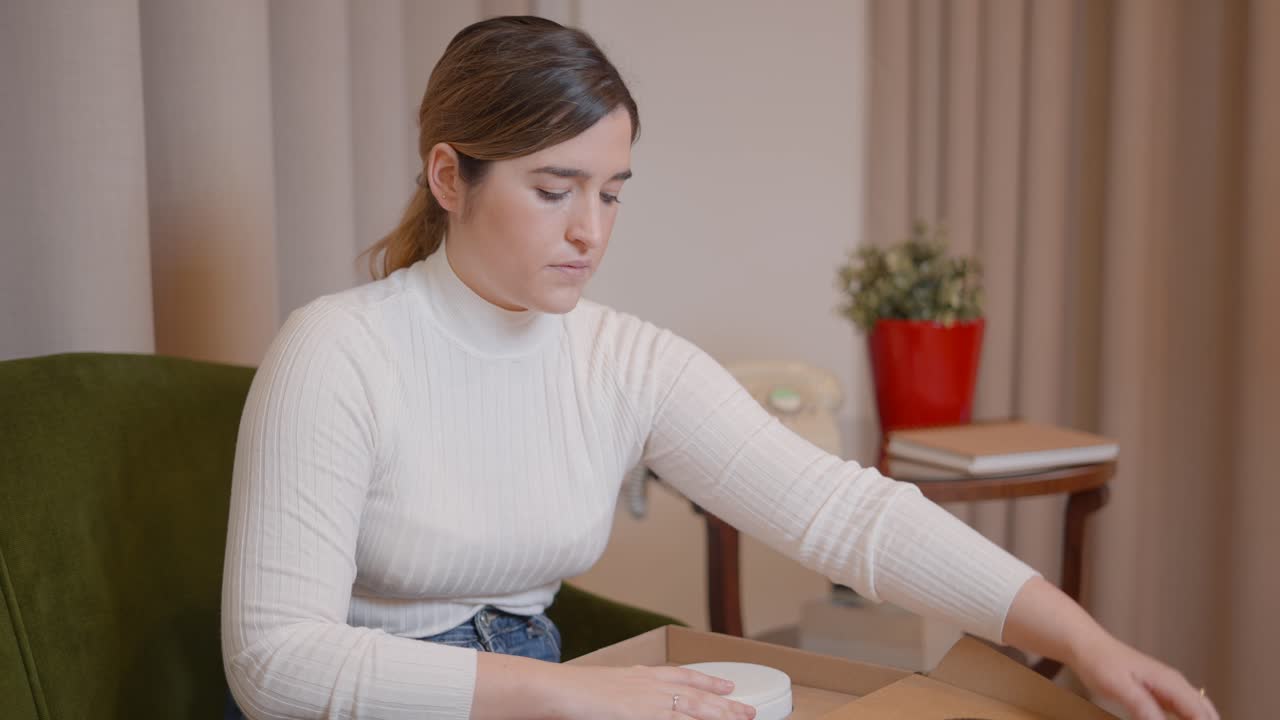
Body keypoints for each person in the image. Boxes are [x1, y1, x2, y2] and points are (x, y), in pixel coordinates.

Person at [221, 15, 1218, 720]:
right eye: (552, 188)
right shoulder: (338, 352)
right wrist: (562, 696)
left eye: (611, 193)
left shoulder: (622, 360)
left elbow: (844, 512)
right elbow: (275, 663)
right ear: (449, 176)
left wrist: (1085, 640)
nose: (587, 231)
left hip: (554, 686)